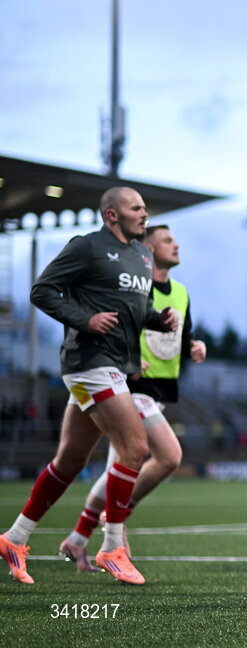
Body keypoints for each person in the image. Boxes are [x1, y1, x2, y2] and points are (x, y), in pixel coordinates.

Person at [0, 187, 176, 585]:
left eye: (145, 208)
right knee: (135, 449)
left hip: (114, 365)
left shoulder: (143, 255)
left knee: (70, 460)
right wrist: (85, 320)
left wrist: (156, 320)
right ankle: (113, 546)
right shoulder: (87, 247)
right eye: (136, 208)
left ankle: (15, 537)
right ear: (112, 215)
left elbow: (135, 306)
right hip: (88, 364)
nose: (144, 214)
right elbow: (42, 291)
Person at [57, 224, 207, 572]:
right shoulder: (132, 285)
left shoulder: (181, 292)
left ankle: (79, 539)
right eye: (168, 240)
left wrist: (194, 347)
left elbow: (179, 335)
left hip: (160, 390)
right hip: (129, 387)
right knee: (169, 456)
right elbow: (119, 328)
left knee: (117, 469)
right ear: (149, 250)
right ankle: (114, 523)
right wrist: (125, 358)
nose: (176, 244)